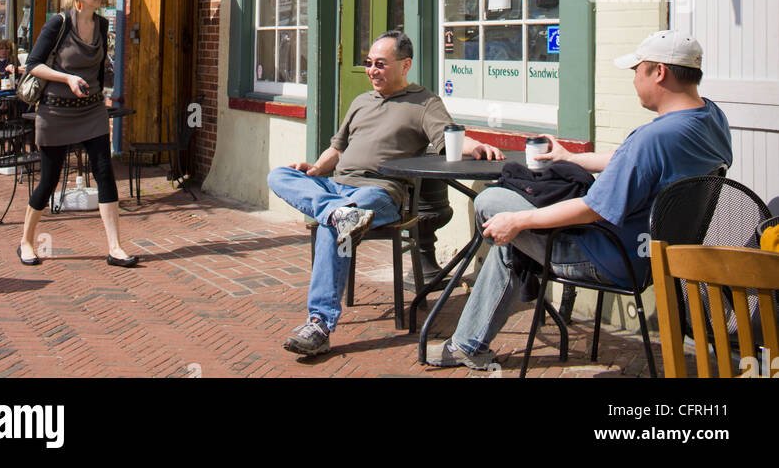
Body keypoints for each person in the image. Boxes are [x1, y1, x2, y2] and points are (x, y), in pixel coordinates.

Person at [426, 30, 733, 370]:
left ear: (658, 72)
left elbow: (591, 210)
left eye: (637, 70)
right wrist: (571, 159)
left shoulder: (654, 137)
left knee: (494, 203)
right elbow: (634, 161)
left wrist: (520, 221)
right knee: (514, 239)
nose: (633, 80)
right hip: (657, 258)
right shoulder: (711, 119)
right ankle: (468, 344)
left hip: (609, 259)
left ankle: (468, 344)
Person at [268, 30, 501, 357]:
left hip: (379, 193)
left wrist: (477, 147)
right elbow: (337, 148)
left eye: (380, 64)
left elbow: (449, 139)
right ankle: (335, 212)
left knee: (335, 222)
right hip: (336, 187)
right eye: (368, 63)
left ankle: (319, 323)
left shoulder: (424, 102)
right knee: (279, 175)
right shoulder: (361, 101)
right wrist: (315, 170)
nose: (372, 70)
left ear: (405, 65)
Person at [18, 0, 139, 269]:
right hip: (56, 111)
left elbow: (98, 68)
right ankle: (27, 241)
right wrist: (67, 78)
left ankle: (115, 247)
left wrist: (104, 93)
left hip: (92, 111)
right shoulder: (57, 23)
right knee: (48, 181)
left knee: (105, 174)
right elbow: (33, 64)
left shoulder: (101, 23)